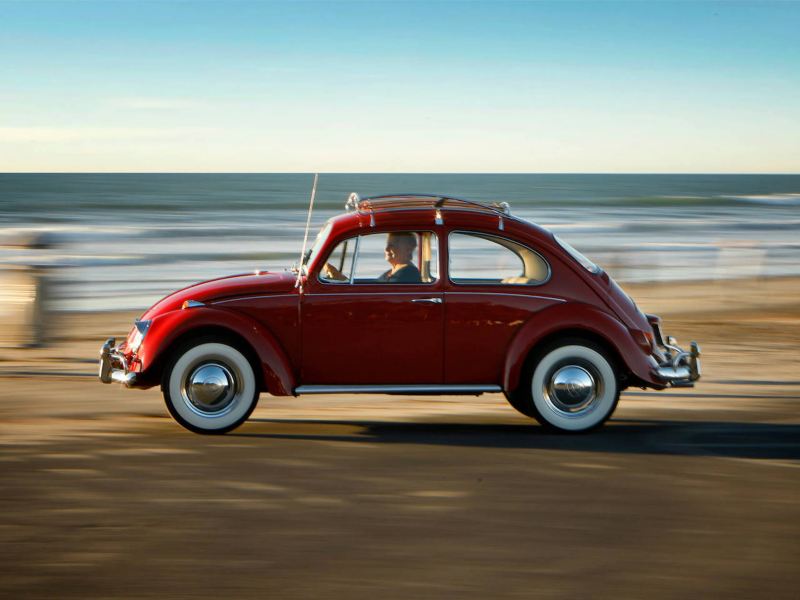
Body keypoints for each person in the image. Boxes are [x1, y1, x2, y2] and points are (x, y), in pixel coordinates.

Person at [321, 232, 422, 283]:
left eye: (393, 245)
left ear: (409, 249)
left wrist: (344, 281)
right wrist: (343, 280)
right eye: (387, 244)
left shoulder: (408, 273)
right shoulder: (391, 272)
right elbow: (372, 286)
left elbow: (382, 294)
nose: (387, 248)